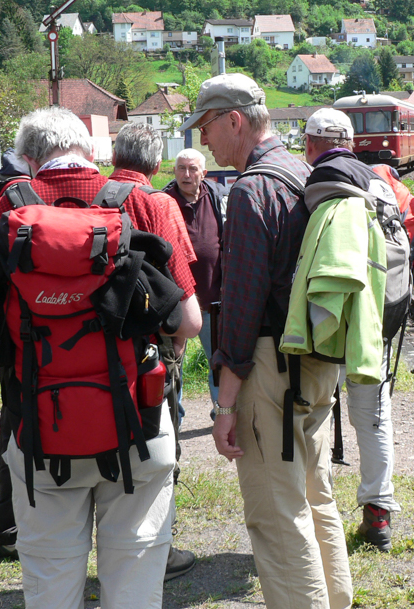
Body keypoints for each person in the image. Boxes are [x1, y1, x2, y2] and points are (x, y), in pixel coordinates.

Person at [0, 107, 202, 609]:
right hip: (136, 427)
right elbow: (189, 322)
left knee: (52, 583)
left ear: (30, 159)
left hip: (39, 426)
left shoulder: (6, 210)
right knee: (136, 579)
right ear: (91, 151)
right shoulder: (146, 204)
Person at [179, 74, 353, 608]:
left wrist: (223, 403)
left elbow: (242, 308)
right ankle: (337, 599)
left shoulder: (254, 190)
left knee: (275, 517)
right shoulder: (302, 172)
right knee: (314, 495)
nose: (201, 142)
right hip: (318, 362)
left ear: (234, 120)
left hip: (270, 372)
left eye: (205, 127)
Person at [302, 107, 401, 552]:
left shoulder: (321, 181)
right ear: (351, 140)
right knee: (374, 415)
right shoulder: (379, 179)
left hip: (336, 317)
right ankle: (378, 513)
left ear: (310, 144)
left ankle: (309, 509)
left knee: (313, 411)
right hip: (381, 314)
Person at [109, 121, 198, 580]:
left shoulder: (94, 197)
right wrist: (179, 342)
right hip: (151, 354)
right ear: (158, 164)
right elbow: (186, 306)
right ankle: (157, 551)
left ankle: (110, 545)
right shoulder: (158, 203)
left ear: (114, 158)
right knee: (160, 448)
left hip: (97, 352)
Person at [162, 148, 227, 417]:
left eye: (192, 169)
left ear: (204, 172)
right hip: (177, 299)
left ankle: (221, 412)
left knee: (217, 362)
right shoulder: (163, 201)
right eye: (181, 168)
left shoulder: (218, 196)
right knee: (173, 361)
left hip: (213, 296)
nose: (186, 175)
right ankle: (174, 414)